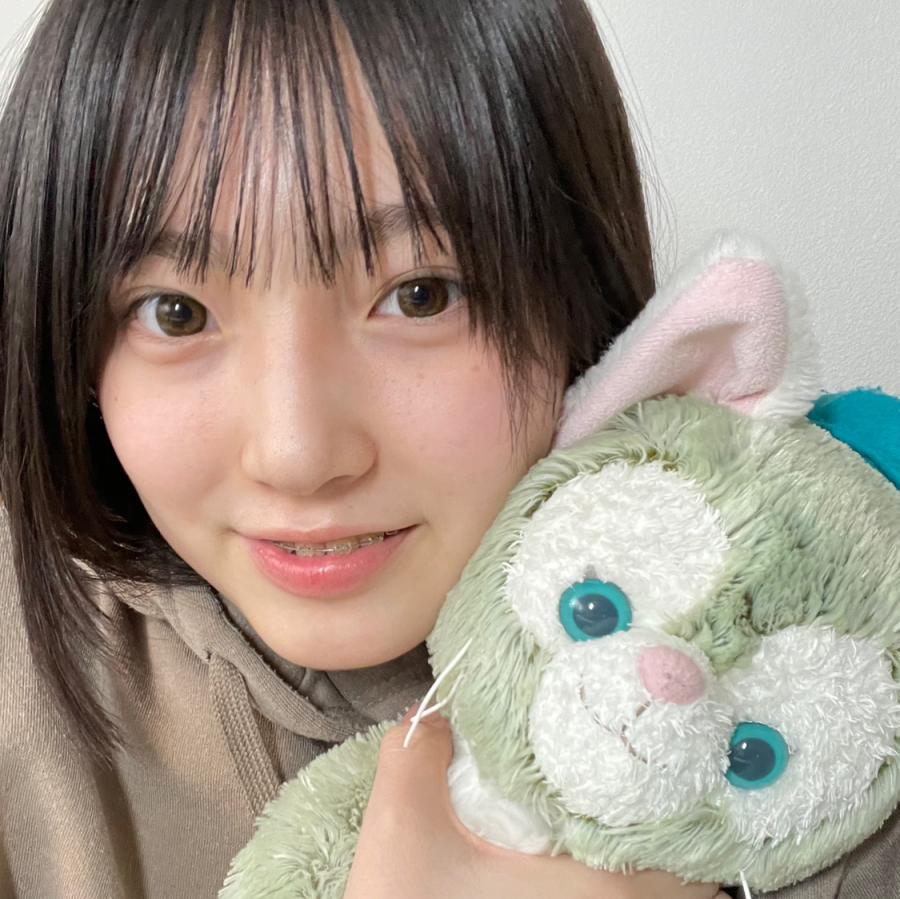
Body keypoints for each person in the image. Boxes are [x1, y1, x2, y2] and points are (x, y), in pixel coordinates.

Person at [0, 1, 892, 897]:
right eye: (176, 313)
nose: (298, 453)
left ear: (576, 299)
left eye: (421, 294)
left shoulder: (833, 710)